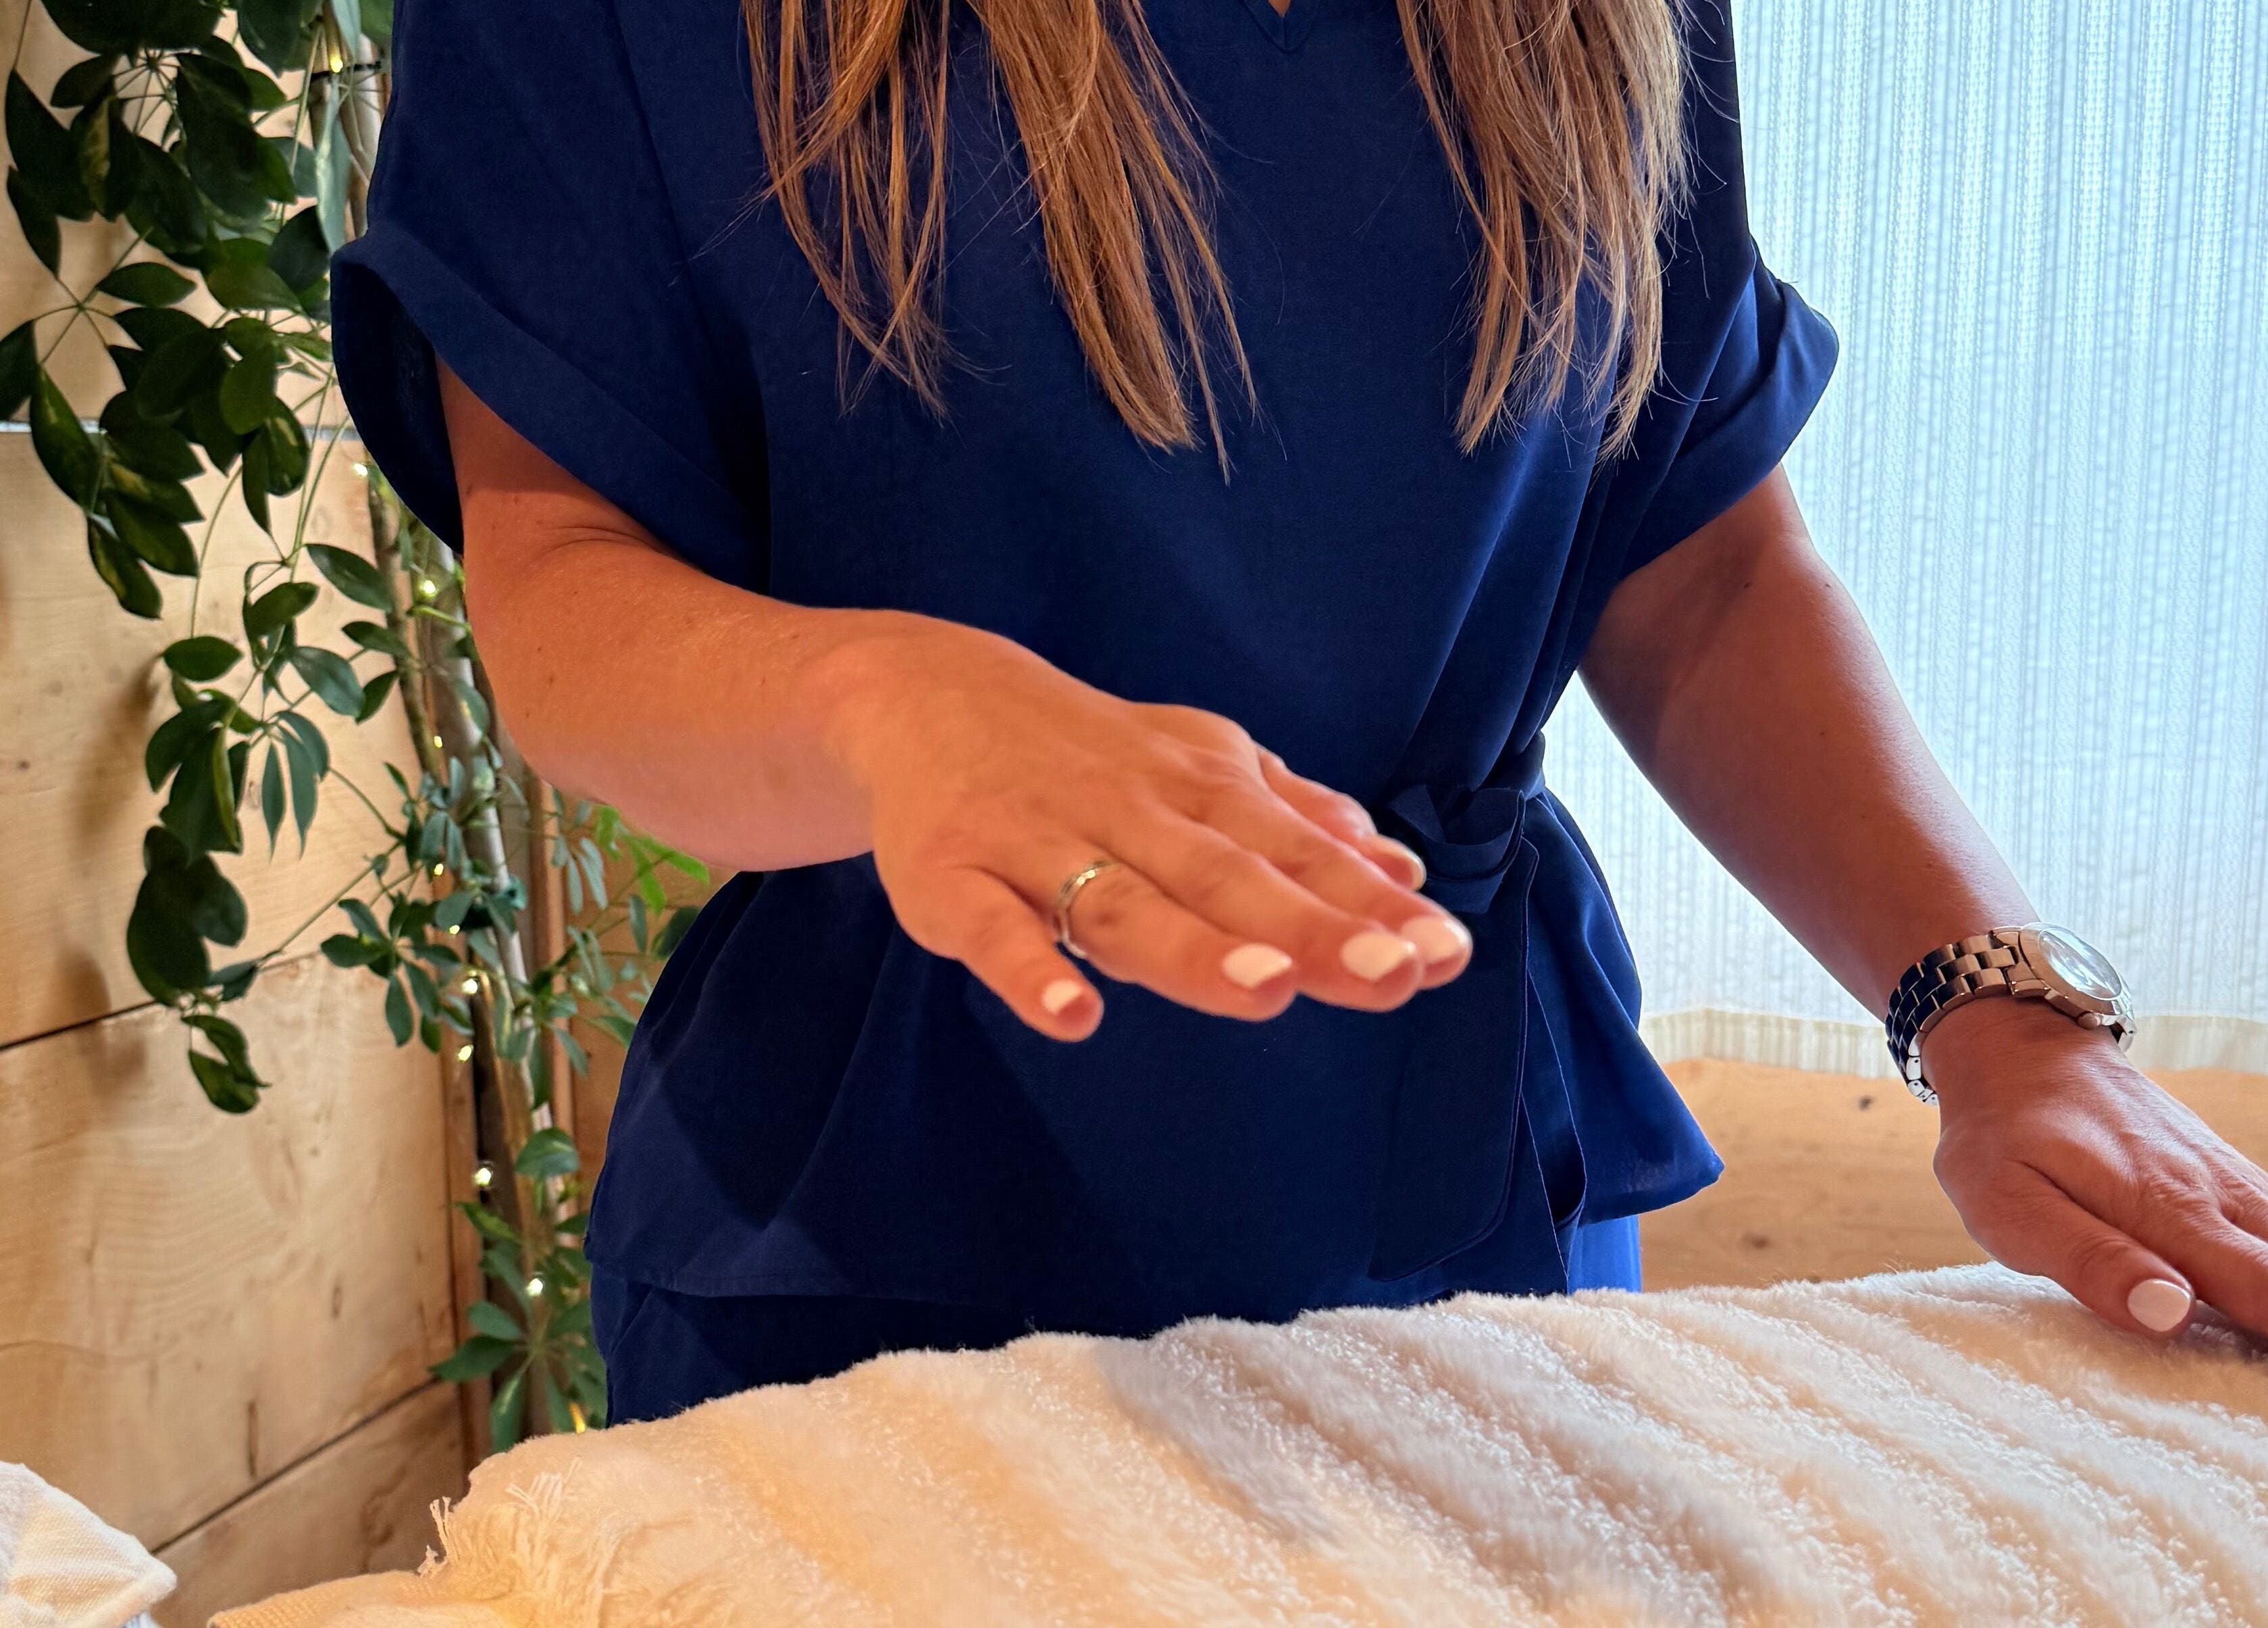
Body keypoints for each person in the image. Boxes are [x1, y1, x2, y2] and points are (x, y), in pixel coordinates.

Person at [336, 0, 2268, 1423]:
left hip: (1479, 1193)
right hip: (871, 1226)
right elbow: (564, 604)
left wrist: (2007, 1021)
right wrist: (885, 702)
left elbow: (1698, 565)